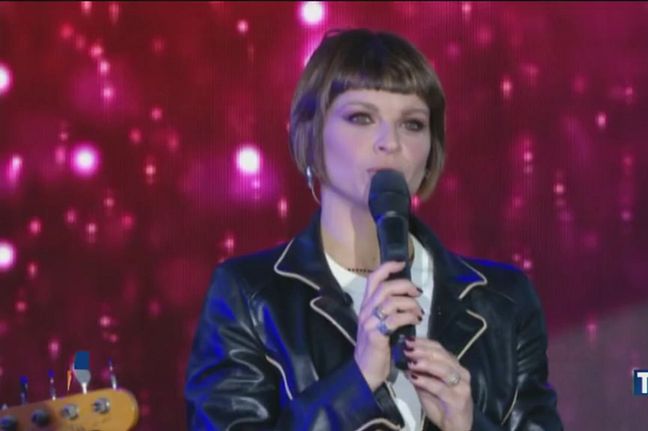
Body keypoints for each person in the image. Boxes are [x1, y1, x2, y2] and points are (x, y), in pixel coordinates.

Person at [185, 28, 563, 431]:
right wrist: (357, 383)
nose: (390, 142)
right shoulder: (249, 296)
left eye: (412, 124)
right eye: (361, 118)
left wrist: (468, 425)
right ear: (310, 132)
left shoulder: (503, 301)